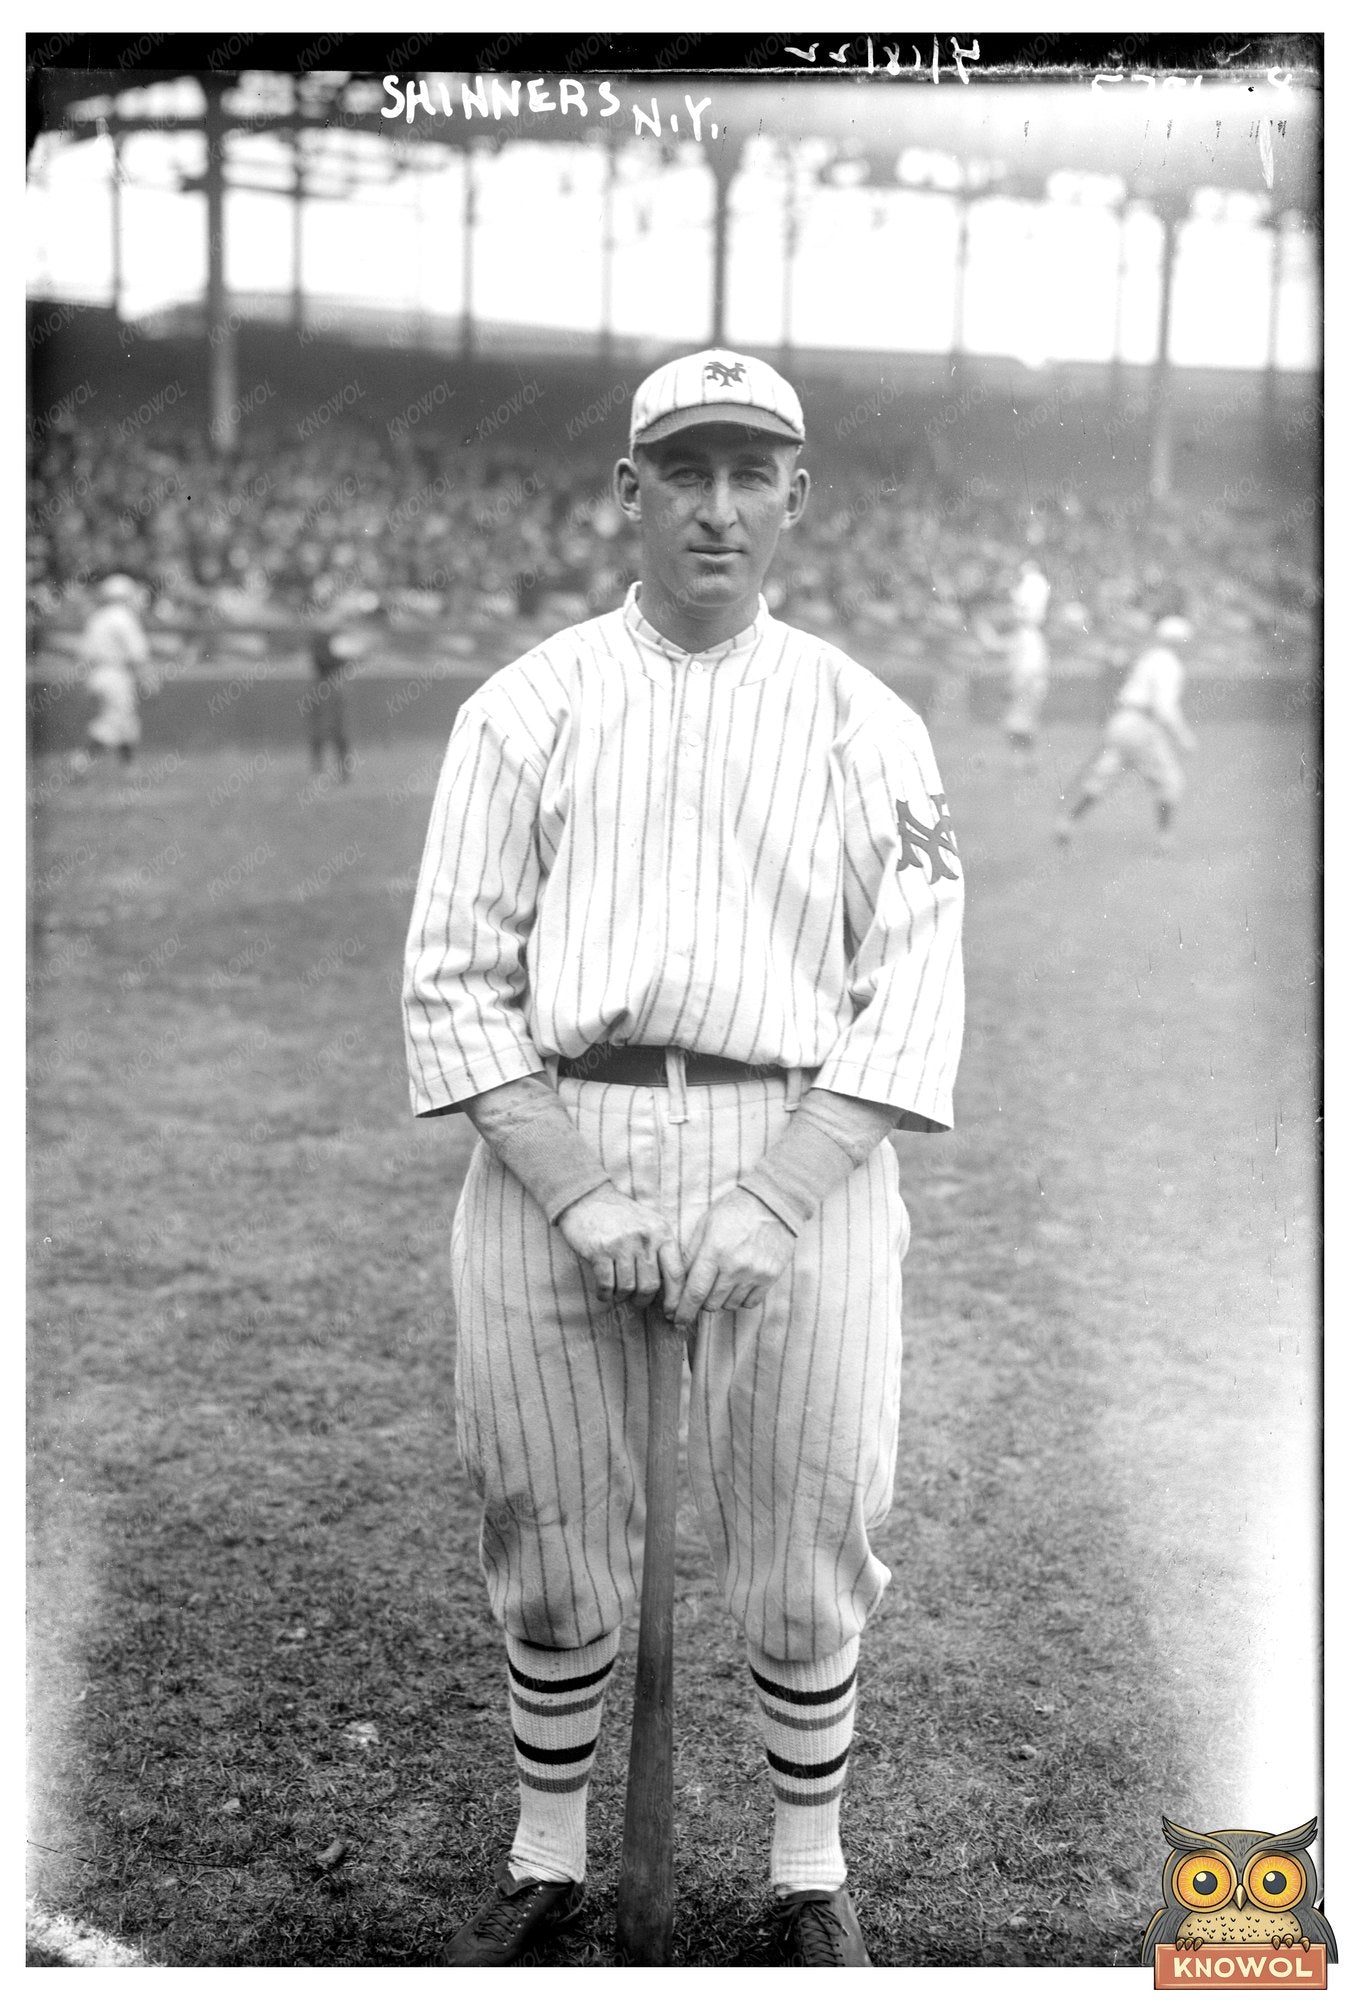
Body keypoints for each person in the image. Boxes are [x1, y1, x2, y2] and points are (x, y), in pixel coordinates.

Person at [402, 350, 966, 1968]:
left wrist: (778, 1192)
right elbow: (452, 977)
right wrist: (577, 1187)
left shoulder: (870, 723)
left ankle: (807, 1875)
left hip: (806, 1136)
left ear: (797, 497)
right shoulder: (522, 709)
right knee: (546, 1522)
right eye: (683, 472)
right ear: (626, 493)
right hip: (548, 1133)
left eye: (750, 474)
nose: (716, 506)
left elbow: (914, 984)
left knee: (809, 1528)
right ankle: (547, 1856)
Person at [1054, 612, 1197, 851]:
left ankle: (1067, 822)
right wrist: (1183, 737)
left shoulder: (1149, 657)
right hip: (1142, 724)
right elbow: (1164, 707)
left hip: (1121, 720)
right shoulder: (1169, 664)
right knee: (1170, 781)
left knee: (1103, 775)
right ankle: (1164, 838)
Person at [70, 574, 151, 774]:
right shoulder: (124, 617)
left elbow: (83, 653)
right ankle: (80, 761)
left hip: (97, 674)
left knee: (126, 721)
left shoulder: (97, 617)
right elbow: (137, 655)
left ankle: (129, 766)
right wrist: (147, 681)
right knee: (113, 721)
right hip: (116, 674)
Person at [304, 589, 380, 780]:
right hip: (325, 684)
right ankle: (320, 768)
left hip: (336, 684)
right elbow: (325, 659)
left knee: (340, 730)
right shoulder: (321, 635)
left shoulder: (336, 633)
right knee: (322, 729)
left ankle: (341, 770)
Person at [1000, 558, 1051, 771]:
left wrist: (1015, 686)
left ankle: (1022, 762)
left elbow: (1029, 669)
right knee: (1022, 723)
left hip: (1026, 684)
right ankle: (1024, 761)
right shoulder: (1028, 634)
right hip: (1029, 684)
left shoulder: (1028, 635)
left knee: (1018, 724)